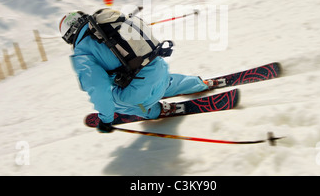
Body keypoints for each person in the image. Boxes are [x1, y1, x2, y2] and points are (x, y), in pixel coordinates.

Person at [59, 10, 209, 133]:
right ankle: (197, 83)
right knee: (152, 76)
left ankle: (153, 110)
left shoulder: (82, 53)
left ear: (68, 37)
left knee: (114, 97)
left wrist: (106, 119)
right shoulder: (105, 23)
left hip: (145, 90)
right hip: (160, 67)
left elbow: (98, 88)